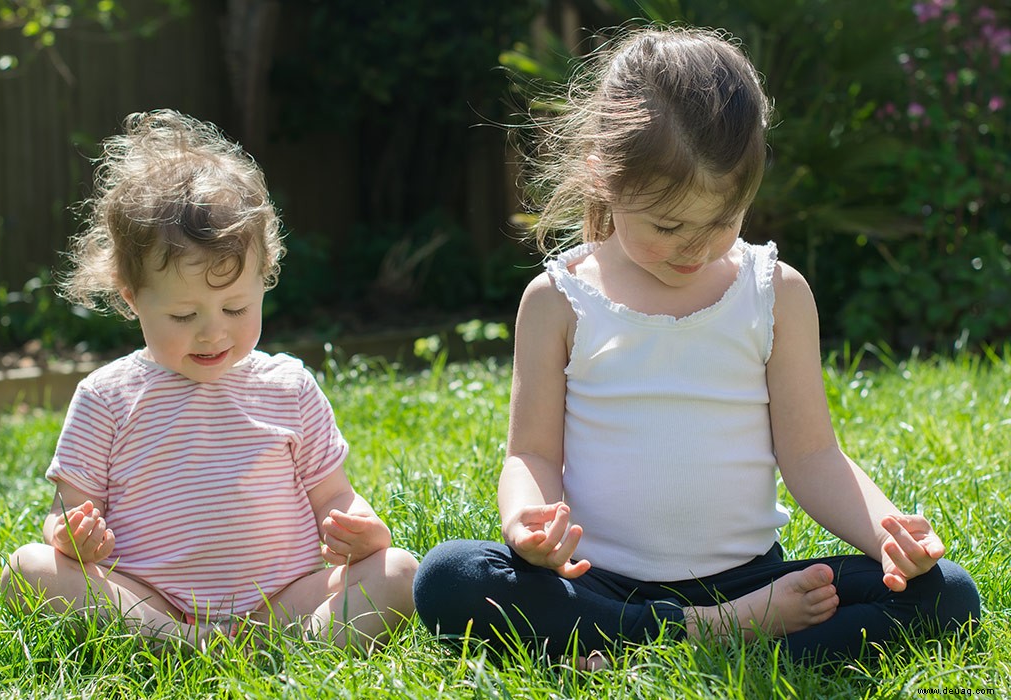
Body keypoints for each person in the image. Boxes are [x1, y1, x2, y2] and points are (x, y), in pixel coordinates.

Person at [412, 26, 979, 665]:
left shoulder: (774, 293)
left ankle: (646, 643)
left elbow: (815, 454)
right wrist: (527, 523)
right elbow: (532, 454)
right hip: (600, 580)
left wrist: (886, 533)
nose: (697, 247)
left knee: (948, 593)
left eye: (723, 221)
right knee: (448, 576)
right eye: (668, 224)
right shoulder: (559, 300)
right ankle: (707, 633)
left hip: (754, 583)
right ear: (604, 175)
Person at [0, 109, 418, 650]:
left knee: (400, 572)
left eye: (236, 307)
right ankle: (179, 640)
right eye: (183, 316)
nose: (212, 333)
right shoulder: (106, 396)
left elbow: (335, 497)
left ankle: (273, 645)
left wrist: (364, 530)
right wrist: (71, 536)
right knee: (28, 570)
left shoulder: (289, 387)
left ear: (265, 279)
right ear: (132, 297)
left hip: (285, 600)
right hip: (151, 600)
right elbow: (67, 512)